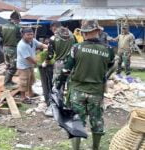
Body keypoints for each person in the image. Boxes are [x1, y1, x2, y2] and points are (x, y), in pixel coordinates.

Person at [57, 20, 114, 150]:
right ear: (98, 32)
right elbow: (111, 65)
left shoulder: (76, 48)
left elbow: (66, 70)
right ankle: (95, 147)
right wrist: (104, 76)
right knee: (97, 121)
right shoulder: (108, 50)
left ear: (83, 33)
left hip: (77, 91)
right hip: (96, 92)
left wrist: (59, 84)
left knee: (77, 122)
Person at [44, 21, 76, 116]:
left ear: (54, 27)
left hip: (60, 64)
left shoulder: (53, 38)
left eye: (52, 29)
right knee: (71, 85)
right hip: (71, 63)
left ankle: (55, 107)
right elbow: (76, 47)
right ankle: (71, 106)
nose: (52, 31)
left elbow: (50, 55)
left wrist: (45, 62)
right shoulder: (72, 35)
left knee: (58, 85)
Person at [17, 28, 48, 104]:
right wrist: (39, 63)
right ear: (23, 35)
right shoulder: (22, 45)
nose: (30, 36)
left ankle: (30, 93)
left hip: (30, 65)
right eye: (28, 35)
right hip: (23, 66)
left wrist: (48, 47)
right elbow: (28, 58)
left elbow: (40, 45)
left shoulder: (32, 40)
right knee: (24, 81)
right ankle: (23, 97)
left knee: (31, 80)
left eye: (31, 34)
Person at [2, 10, 21, 89]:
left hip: (5, 47)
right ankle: (7, 83)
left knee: (8, 65)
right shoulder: (16, 27)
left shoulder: (4, 26)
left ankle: (9, 81)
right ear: (17, 19)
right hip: (13, 48)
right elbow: (19, 37)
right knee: (13, 66)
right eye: (19, 19)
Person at [37, 38, 54, 106]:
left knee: (46, 84)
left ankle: (48, 100)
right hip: (46, 66)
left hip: (46, 66)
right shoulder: (43, 52)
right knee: (49, 83)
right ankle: (49, 100)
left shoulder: (42, 52)